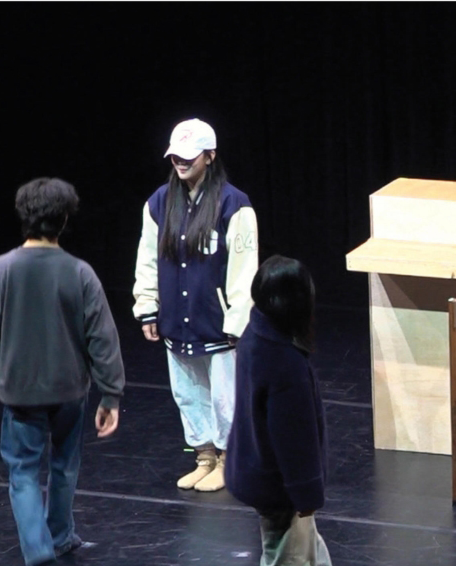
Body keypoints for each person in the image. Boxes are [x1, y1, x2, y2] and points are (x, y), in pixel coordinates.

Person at [0, 178, 125, 566]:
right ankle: (60, 536)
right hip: (70, 391)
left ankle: (39, 551)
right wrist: (111, 394)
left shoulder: (1, 269)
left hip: (21, 393)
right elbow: (102, 337)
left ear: (23, 217)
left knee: (23, 473)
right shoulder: (80, 272)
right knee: (65, 465)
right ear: (64, 220)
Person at [133, 118, 258, 492]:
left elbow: (244, 268)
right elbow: (147, 258)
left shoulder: (233, 204)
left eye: (189, 156)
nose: (180, 162)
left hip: (216, 321)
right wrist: (148, 305)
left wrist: (237, 321)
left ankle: (227, 460)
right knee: (188, 394)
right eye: (176, 155)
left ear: (210, 155)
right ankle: (204, 457)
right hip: (177, 319)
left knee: (224, 397)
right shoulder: (159, 202)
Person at [225, 255, 331, 566]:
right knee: (285, 554)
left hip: (257, 472)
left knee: (309, 550)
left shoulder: (254, 335)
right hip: (279, 486)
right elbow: (293, 441)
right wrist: (306, 496)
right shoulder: (285, 363)